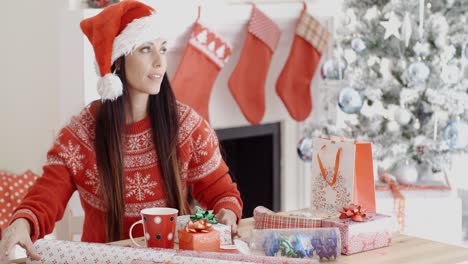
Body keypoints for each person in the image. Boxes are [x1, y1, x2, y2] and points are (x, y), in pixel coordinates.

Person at [0, 1, 243, 260]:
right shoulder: (80, 134)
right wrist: (22, 223)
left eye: (162, 49)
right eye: (146, 50)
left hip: (171, 258)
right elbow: (46, 197)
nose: (160, 62)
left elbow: (222, 193)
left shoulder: (187, 125)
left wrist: (226, 212)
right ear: (117, 61)